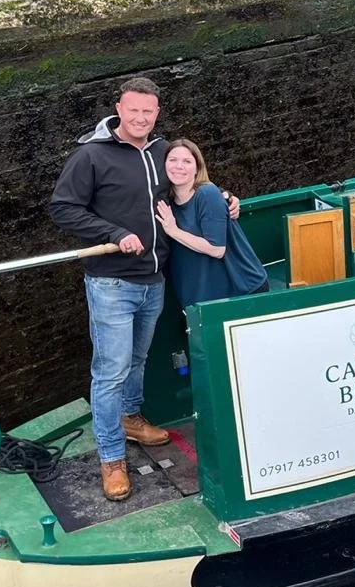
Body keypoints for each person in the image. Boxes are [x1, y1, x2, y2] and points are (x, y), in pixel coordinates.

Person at [49, 76, 238, 502]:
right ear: (118, 108)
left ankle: (131, 418)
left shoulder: (161, 150)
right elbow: (63, 208)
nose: (139, 118)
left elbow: (186, 183)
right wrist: (114, 233)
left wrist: (224, 197)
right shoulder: (91, 155)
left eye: (147, 112)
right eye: (132, 110)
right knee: (110, 371)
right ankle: (112, 458)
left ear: (157, 113)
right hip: (111, 283)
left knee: (137, 359)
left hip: (154, 279)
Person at [156, 138, 269, 308]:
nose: (179, 166)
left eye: (187, 161)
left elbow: (217, 249)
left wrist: (174, 231)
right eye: (172, 160)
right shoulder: (166, 202)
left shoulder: (207, 194)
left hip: (240, 291)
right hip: (200, 298)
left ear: (197, 168)